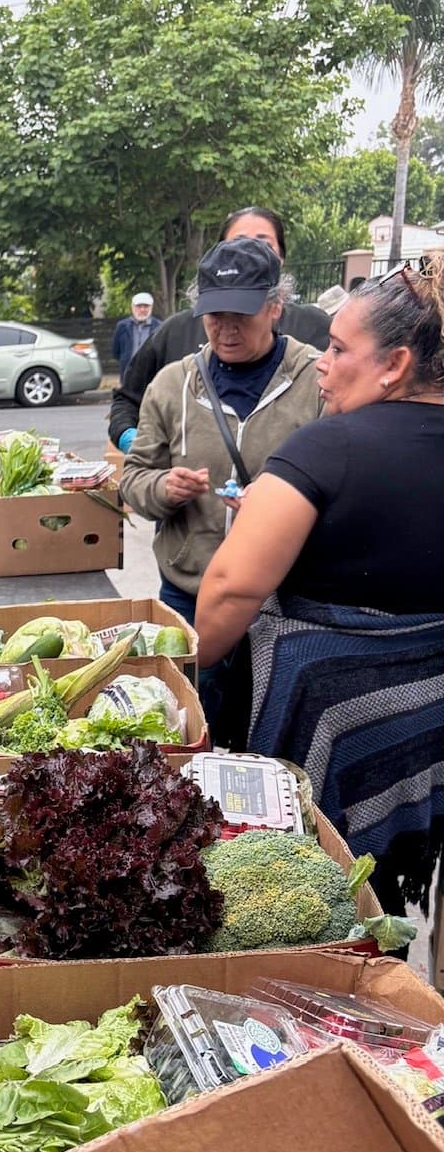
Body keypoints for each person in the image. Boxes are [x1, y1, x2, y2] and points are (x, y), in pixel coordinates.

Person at [195, 257, 444, 914]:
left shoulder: (326, 448)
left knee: (306, 897)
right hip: (428, 734)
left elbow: (228, 591)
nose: (323, 365)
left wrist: (182, 678)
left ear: (393, 364)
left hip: (326, 733)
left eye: (337, 349)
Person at [117, 237, 323, 741]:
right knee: (194, 734)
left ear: (275, 307)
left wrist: (279, 508)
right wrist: (165, 486)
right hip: (192, 595)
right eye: (215, 315)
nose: (227, 329)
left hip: (288, 602)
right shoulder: (171, 385)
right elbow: (133, 478)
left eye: (243, 315)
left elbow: (350, 483)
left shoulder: (319, 379)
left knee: (276, 738)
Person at [108, 207, 330, 447]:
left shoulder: (314, 329)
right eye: (239, 243)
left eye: (264, 245)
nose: (228, 328)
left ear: (281, 258)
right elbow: (126, 402)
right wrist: (141, 454)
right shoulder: (175, 332)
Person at [112, 293, 159, 372]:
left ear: (151, 307)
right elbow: (116, 352)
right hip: (128, 372)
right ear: (132, 307)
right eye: (139, 306)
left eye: (146, 306)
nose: (142, 310)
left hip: (151, 372)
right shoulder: (122, 326)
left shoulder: (159, 326)